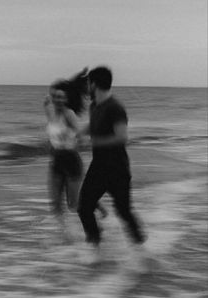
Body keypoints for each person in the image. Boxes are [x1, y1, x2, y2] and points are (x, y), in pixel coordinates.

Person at [77, 66, 146, 260]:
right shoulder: (95, 106)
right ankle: (95, 249)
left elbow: (122, 137)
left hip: (117, 168)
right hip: (98, 166)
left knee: (123, 211)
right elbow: (93, 125)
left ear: (94, 84)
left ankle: (142, 252)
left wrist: (94, 141)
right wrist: (79, 133)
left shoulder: (115, 107)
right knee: (84, 208)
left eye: (88, 83)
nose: (87, 88)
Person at [44, 69, 106, 241]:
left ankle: (95, 212)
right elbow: (50, 129)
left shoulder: (69, 114)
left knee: (73, 204)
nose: (57, 100)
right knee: (55, 205)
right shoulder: (49, 110)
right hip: (55, 161)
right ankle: (67, 237)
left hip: (71, 160)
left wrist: (74, 140)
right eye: (55, 96)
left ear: (67, 100)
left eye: (61, 97)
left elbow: (81, 132)